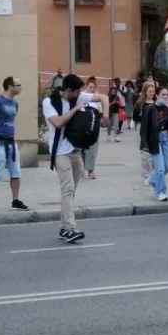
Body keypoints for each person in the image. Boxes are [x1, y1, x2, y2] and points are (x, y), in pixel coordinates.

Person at [42, 74, 109, 243]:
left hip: (75, 151)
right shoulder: (49, 102)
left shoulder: (77, 95)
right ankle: (70, 229)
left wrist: (106, 115)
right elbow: (57, 122)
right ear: (68, 90)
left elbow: (103, 97)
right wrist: (75, 109)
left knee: (70, 192)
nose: (81, 93)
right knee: (68, 189)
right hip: (59, 152)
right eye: (77, 91)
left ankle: (64, 227)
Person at [0, 76, 28, 210]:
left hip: (11, 142)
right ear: (10, 86)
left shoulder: (15, 103)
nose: (20, 87)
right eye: (18, 85)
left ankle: (15, 200)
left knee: (16, 172)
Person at [140, 84, 168, 202]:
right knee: (160, 169)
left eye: (166, 95)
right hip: (155, 139)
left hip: (166, 138)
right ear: (157, 95)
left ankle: (153, 179)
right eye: (162, 94)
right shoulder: (150, 108)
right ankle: (161, 192)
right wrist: (144, 144)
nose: (165, 97)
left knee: (167, 168)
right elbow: (143, 128)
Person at [81, 77, 103, 179]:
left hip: (94, 127)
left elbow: (100, 112)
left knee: (92, 149)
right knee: (81, 149)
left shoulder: (97, 98)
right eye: (90, 87)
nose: (92, 89)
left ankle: (91, 170)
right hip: (83, 126)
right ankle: (80, 169)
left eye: (94, 87)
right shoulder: (82, 96)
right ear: (86, 86)